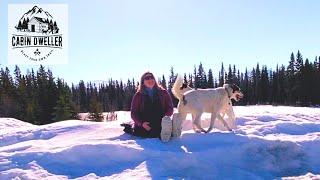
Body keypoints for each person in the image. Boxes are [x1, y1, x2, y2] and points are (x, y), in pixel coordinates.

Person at [121, 71, 174, 141]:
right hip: (145, 124)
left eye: (152, 77)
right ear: (143, 82)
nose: (150, 80)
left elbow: (170, 108)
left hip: (161, 121)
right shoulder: (138, 95)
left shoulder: (163, 92)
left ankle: (170, 129)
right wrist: (141, 123)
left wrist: (165, 118)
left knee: (160, 128)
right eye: (147, 78)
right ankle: (169, 132)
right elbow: (134, 113)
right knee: (151, 134)